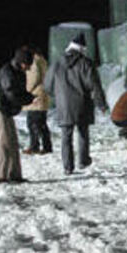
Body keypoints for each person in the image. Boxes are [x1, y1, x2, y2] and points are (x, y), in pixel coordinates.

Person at [45, 33, 109, 175]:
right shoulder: (86, 63)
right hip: (82, 104)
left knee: (66, 136)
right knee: (82, 132)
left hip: (64, 106)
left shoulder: (57, 63)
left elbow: (48, 86)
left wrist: (59, 96)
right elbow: (94, 85)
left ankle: (68, 167)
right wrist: (101, 104)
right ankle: (83, 160)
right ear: (82, 49)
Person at [0, 47, 35, 183]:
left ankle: (14, 175)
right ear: (21, 62)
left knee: (13, 142)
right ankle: (1, 176)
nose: (29, 68)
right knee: (4, 142)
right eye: (28, 64)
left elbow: (20, 91)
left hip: (7, 109)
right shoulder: (7, 73)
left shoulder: (19, 72)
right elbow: (12, 95)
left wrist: (29, 96)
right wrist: (27, 99)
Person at [22, 47, 52, 155]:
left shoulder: (34, 61)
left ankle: (34, 146)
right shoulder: (42, 60)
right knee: (41, 123)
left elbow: (34, 77)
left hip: (36, 95)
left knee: (32, 123)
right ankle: (47, 146)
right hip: (42, 94)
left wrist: (27, 90)